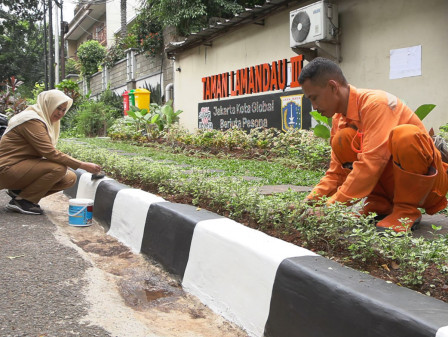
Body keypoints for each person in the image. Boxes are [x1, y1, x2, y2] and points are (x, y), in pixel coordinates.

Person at [298, 57, 448, 232]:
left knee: (405, 136)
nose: (314, 106)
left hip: (428, 188)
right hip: (391, 186)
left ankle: (406, 210)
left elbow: (371, 163)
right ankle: (380, 204)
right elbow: (336, 173)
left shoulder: (376, 104)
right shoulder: (339, 119)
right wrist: (309, 202)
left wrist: (330, 208)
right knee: (343, 138)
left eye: (314, 97)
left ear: (333, 86)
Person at [0, 89, 101, 215]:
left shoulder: (43, 120)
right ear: (48, 104)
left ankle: (21, 195)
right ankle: (23, 201)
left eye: (64, 110)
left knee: (69, 178)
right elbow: (49, 152)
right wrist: (82, 165)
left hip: (18, 166)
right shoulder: (31, 120)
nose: (60, 113)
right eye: (58, 108)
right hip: (6, 168)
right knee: (58, 168)